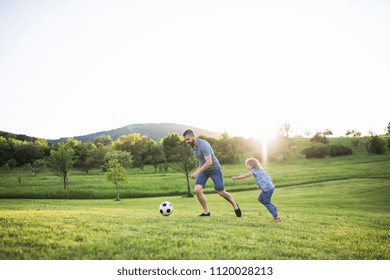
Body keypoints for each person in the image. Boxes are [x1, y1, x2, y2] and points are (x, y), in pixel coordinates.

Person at [183, 129, 241, 217]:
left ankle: (235, 205)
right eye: (185, 140)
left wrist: (197, 172)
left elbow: (209, 162)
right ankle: (207, 212)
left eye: (188, 139)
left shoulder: (204, 145)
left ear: (193, 137)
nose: (187, 142)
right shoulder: (192, 147)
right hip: (204, 171)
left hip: (215, 170)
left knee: (221, 192)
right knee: (197, 190)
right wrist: (200, 170)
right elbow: (200, 160)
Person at [232, 158, 281, 222]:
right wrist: (261, 185)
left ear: (251, 165)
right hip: (270, 187)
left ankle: (276, 217)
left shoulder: (254, 171)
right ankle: (273, 207)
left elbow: (245, 175)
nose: (246, 167)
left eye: (247, 165)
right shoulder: (260, 170)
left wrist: (236, 178)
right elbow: (268, 178)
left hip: (267, 189)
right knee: (260, 199)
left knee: (266, 202)